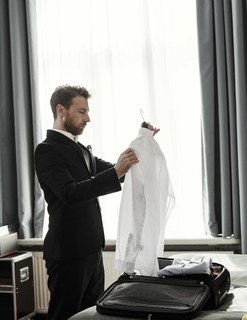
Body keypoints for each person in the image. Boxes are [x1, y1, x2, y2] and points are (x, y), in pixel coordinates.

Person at [34, 85, 159, 320]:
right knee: (64, 315)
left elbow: (119, 171)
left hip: (92, 249)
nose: (88, 118)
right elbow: (69, 193)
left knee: (92, 316)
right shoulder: (46, 150)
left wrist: (143, 140)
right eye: (82, 112)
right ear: (61, 110)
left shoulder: (82, 149)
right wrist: (115, 172)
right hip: (68, 253)